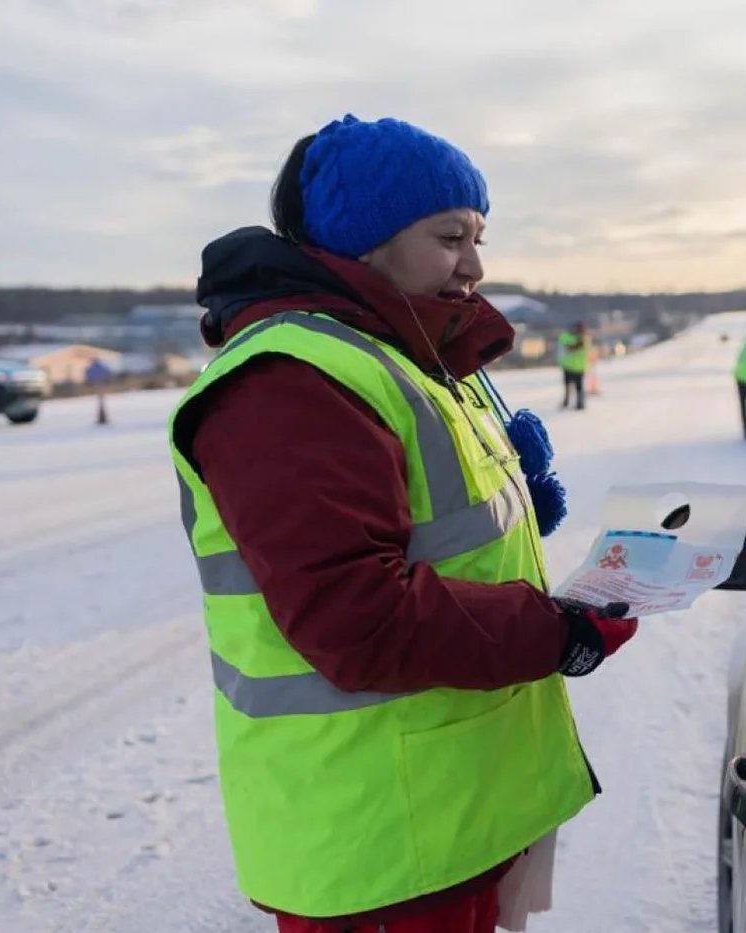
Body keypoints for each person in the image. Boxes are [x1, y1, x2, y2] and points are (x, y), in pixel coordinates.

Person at [167, 114, 640, 933]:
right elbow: (356, 617)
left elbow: (424, 528)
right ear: (367, 238)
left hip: (447, 813)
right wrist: (554, 631)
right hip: (380, 843)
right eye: (450, 235)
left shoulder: (395, 348)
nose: (476, 263)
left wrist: (516, 496)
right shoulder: (291, 379)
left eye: (479, 235)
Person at [558, 321, 590, 409]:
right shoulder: (569, 337)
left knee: (577, 387)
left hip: (577, 367)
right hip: (569, 366)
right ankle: (568, 401)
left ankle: (579, 403)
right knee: (569, 385)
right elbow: (564, 344)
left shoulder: (584, 339)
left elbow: (573, 347)